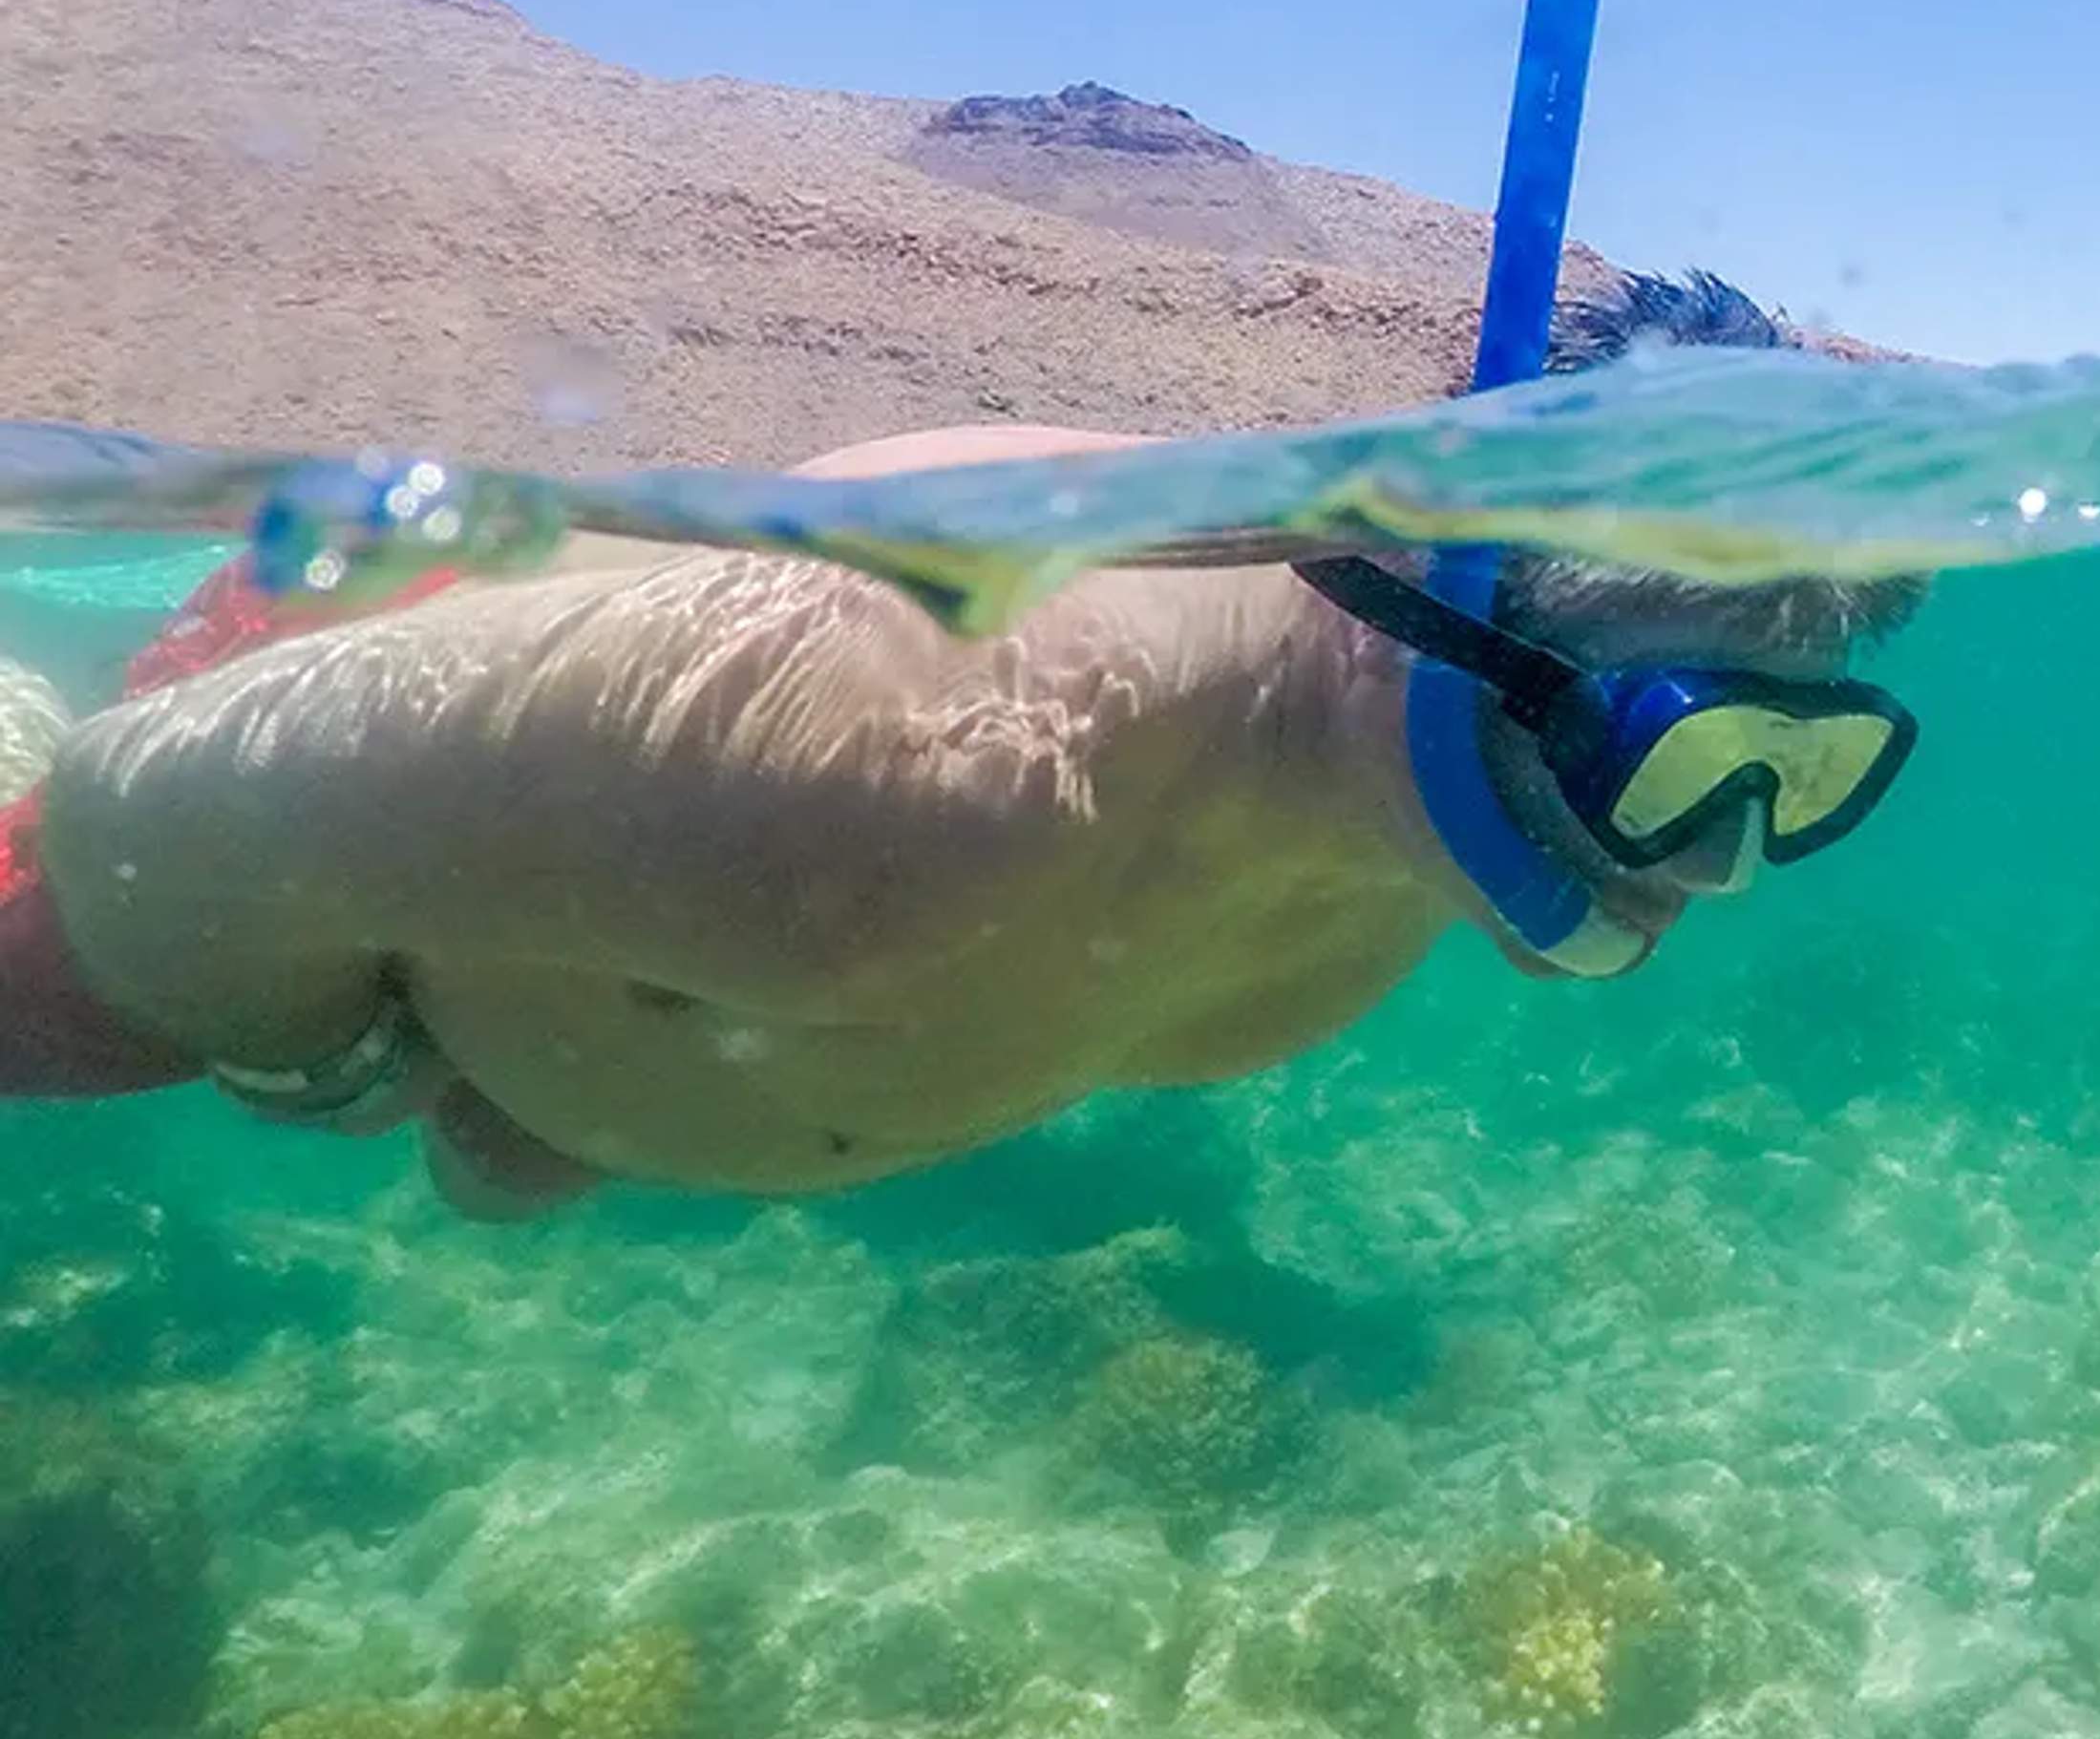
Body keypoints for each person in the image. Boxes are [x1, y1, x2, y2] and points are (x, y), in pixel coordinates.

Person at [0, 271, 1921, 1219]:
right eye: (1685, 754)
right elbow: (140, 811)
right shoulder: (902, 749)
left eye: (1806, 787)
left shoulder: (1372, 834)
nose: (1705, 873)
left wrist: (538, 1099)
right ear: (1437, 585)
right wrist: (311, 1038)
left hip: (496, 881)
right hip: (293, 712)